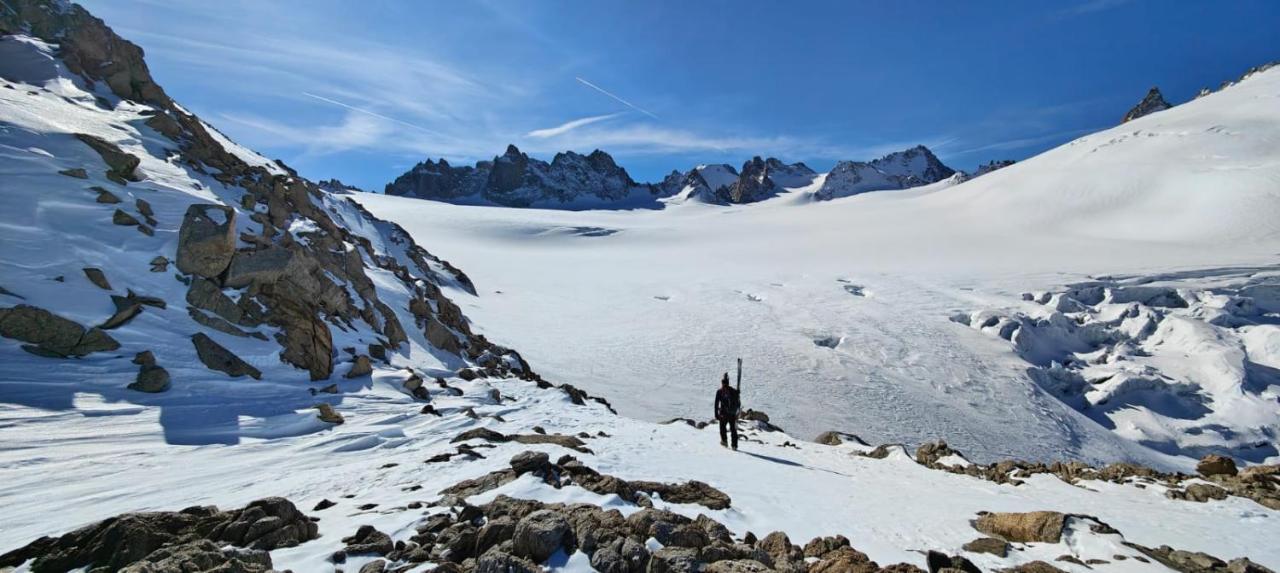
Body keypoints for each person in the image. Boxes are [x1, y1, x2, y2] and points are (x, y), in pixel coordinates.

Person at [714, 373, 740, 450]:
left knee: (722, 428)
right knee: (733, 429)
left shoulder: (719, 391)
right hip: (732, 414)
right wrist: (738, 392)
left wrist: (716, 414)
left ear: (722, 383)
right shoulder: (733, 391)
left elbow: (716, 403)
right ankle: (734, 445)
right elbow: (738, 402)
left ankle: (724, 441)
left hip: (723, 414)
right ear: (728, 383)